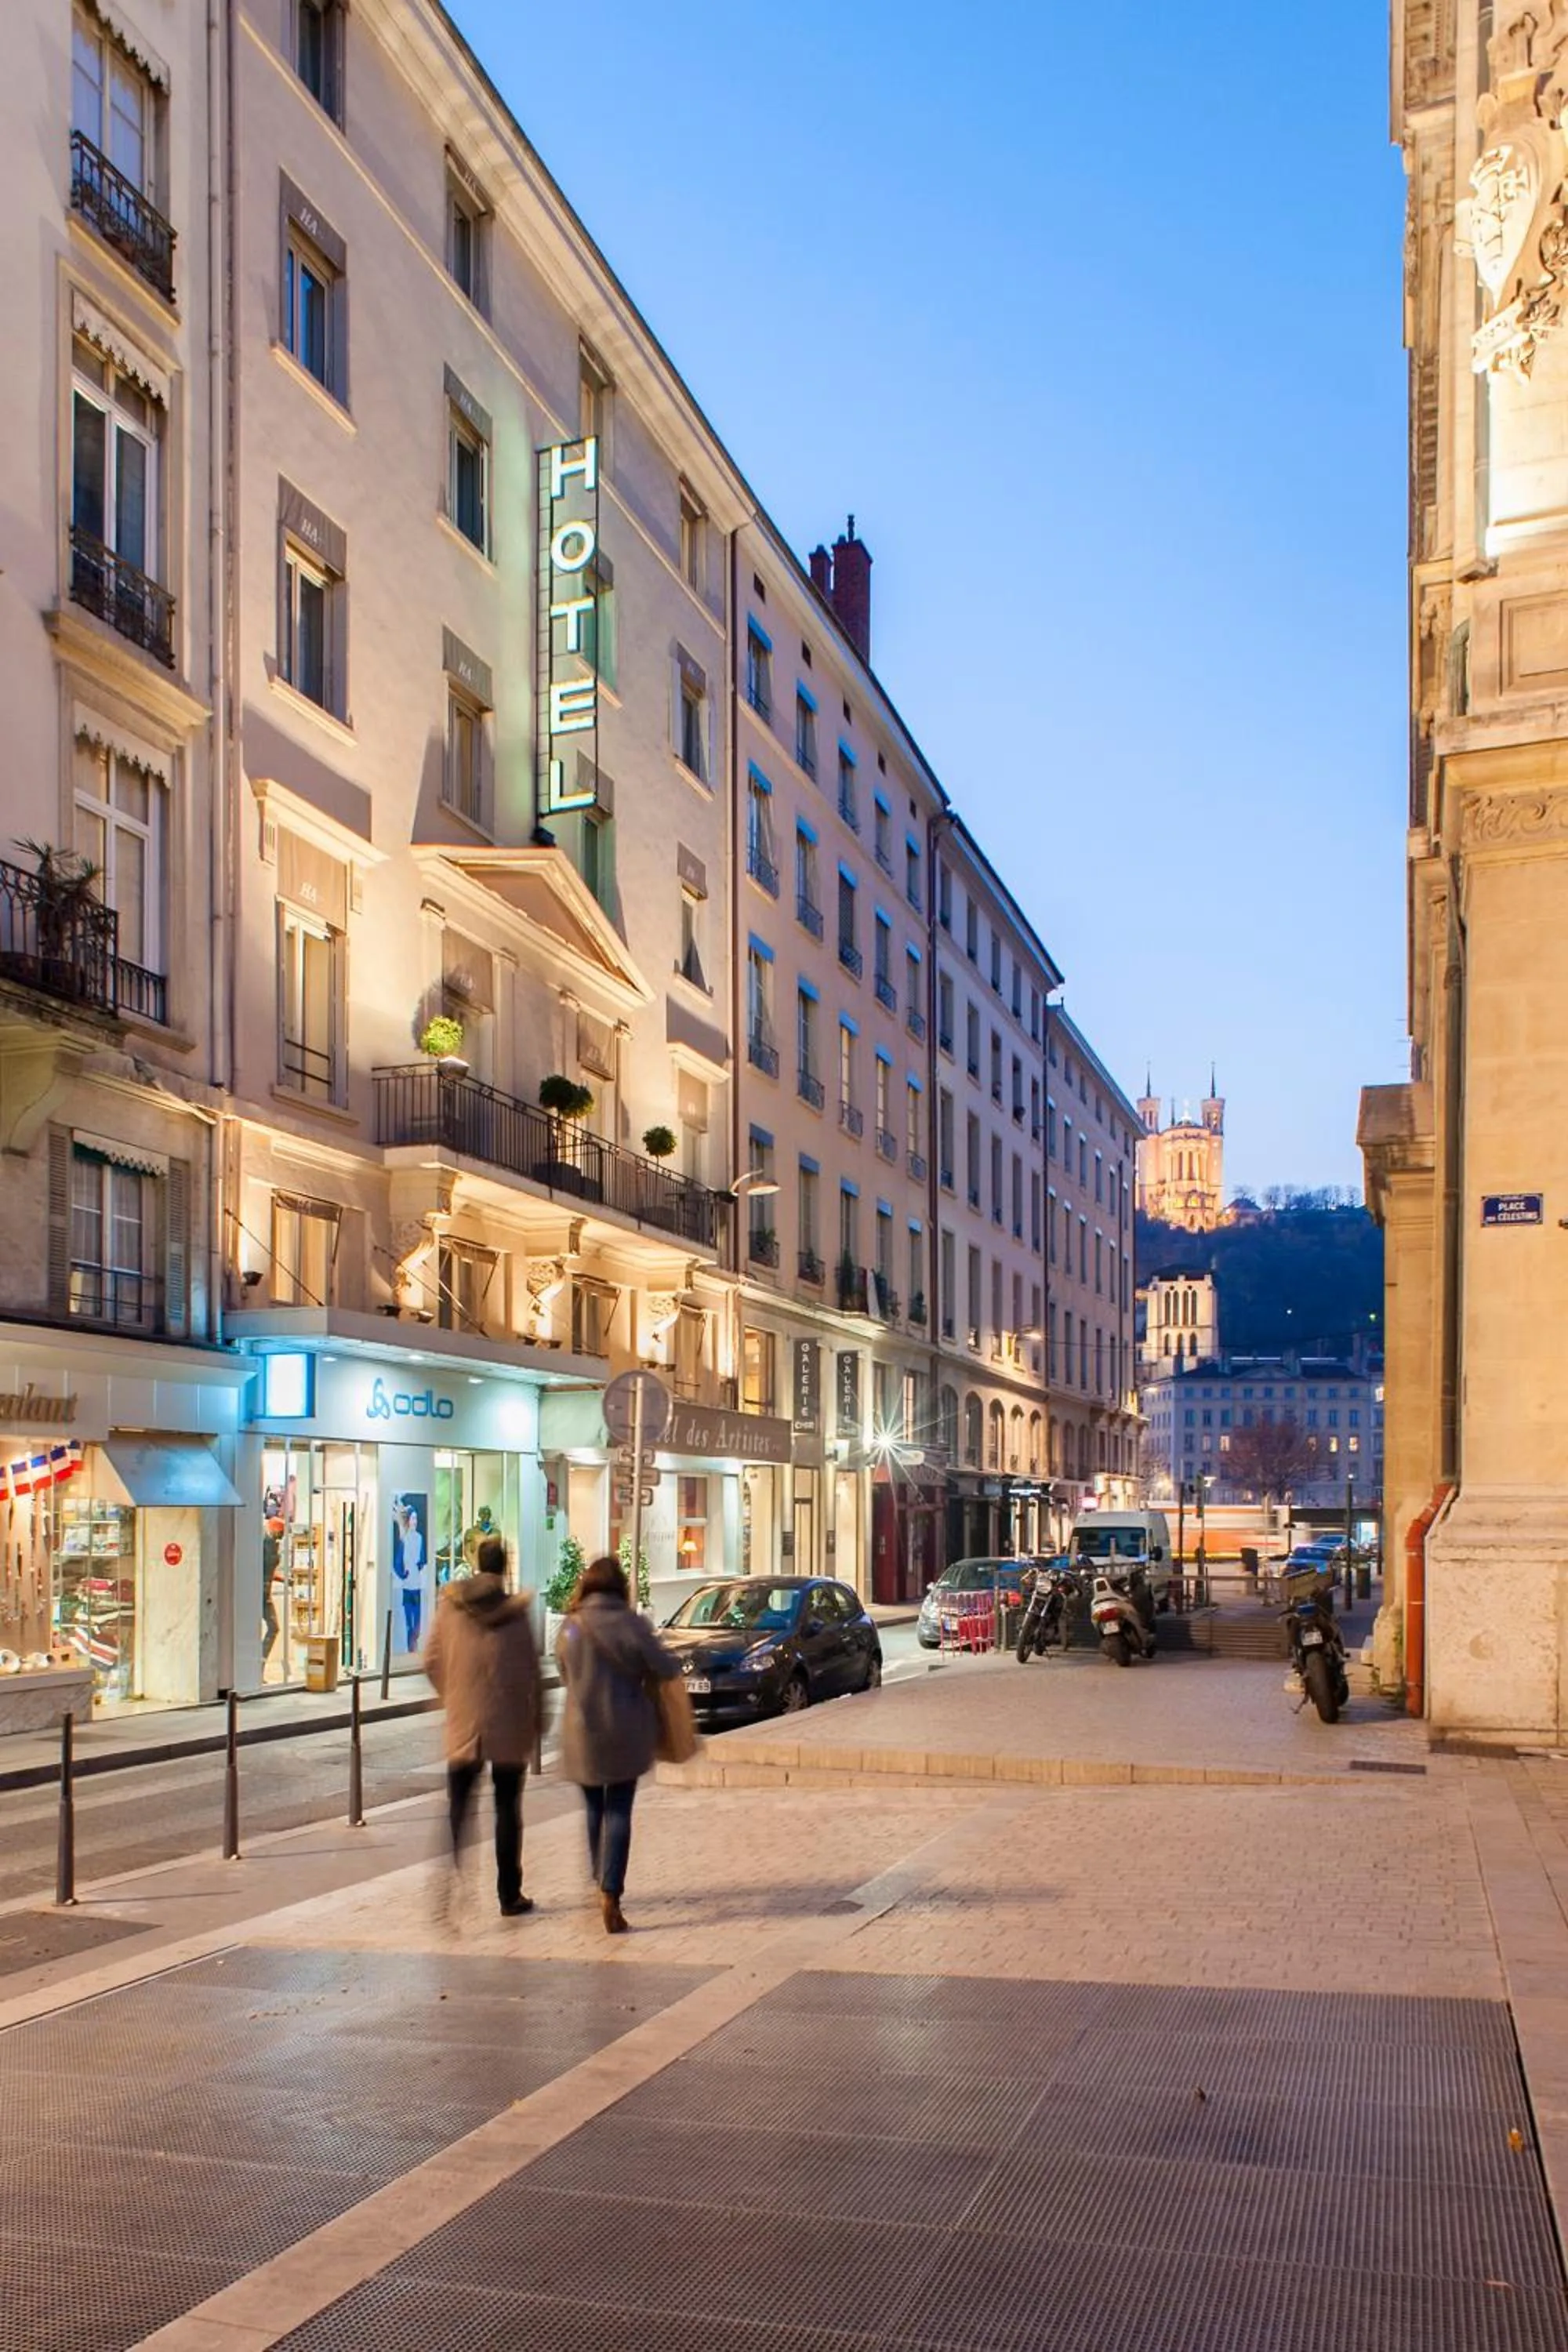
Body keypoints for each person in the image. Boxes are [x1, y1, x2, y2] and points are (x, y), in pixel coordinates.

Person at [555, 1554, 681, 1934]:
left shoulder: (571, 1627)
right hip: (626, 1729)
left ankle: (599, 1879)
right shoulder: (633, 1624)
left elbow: (563, 1670)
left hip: (582, 1733)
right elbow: (667, 1667)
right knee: (620, 1810)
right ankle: (612, 1890)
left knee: (594, 1807)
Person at [423, 1534, 543, 1918]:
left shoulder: (451, 1608)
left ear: (477, 1563)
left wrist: (454, 1693)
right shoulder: (516, 1614)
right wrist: (538, 1718)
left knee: (458, 1806)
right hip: (507, 1724)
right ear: (504, 1567)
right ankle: (509, 1894)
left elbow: (430, 1659)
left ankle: (450, 1885)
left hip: (463, 1724)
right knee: (507, 1809)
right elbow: (531, 1672)